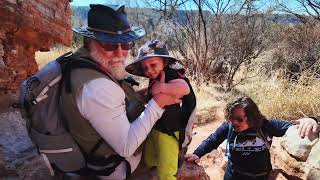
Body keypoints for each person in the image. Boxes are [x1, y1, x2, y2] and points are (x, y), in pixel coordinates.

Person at [59, 4, 180, 179]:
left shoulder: (82, 61)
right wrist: (157, 104)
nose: (120, 53)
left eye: (125, 44)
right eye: (109, 45)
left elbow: (104, 105)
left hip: (90, 148)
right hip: (112, 166)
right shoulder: (97, 86)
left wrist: (141, 96)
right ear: (90, 41)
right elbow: (126, 147)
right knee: (168, 140)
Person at [185, 96, 319, 180]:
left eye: (239, 119)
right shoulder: (229, 127)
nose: (234, 122)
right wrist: (197, 154)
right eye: (231, 118)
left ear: (250, 117)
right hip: (234, 176)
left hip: (260, 177)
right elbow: (212, 140)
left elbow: (290, 127)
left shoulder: (264, 125)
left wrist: (311, 120)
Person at [125, 40, 197, 180]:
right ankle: (164, 162)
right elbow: (151, 92)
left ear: (164, 62)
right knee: (149, 158)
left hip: (170, 132)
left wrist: (163, 88)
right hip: (157, 127)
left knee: (166, 173)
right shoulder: (157, 76)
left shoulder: (170, 73)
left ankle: (169, 165)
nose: (149, 70)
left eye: (153, 65)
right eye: (145, 68)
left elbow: (184, 88)